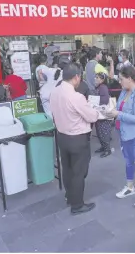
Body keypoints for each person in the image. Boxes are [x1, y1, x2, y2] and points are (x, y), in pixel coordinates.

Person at [50, 63, 99, 215]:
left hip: (62, 137)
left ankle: (70, 196)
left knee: (68, 169)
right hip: (77, 139)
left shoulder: (55, 91)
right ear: (76, 77)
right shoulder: (75, 96)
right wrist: (93, 110)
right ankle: (77, 205)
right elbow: (92, 116)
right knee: (79, 172)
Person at [106, 66, 135, 208]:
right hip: (124, 133)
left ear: (130, 78)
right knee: (128, 162)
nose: (119, 82)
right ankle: (130, 187)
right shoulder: (125, 91)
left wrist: (118, 114)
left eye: (121, 79)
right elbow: (119, 109)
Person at [93, 73, 113, 158]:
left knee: (104, 133)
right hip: (100, 113)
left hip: (104, 115)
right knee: (99, 132)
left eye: (98, 78)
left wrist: (94, 102)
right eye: (95, 77)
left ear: (102, 80)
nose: (96, 79)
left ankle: (107, 150)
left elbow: (104, 100)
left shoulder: (103, 87)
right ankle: (103, 147)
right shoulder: (99, 87)